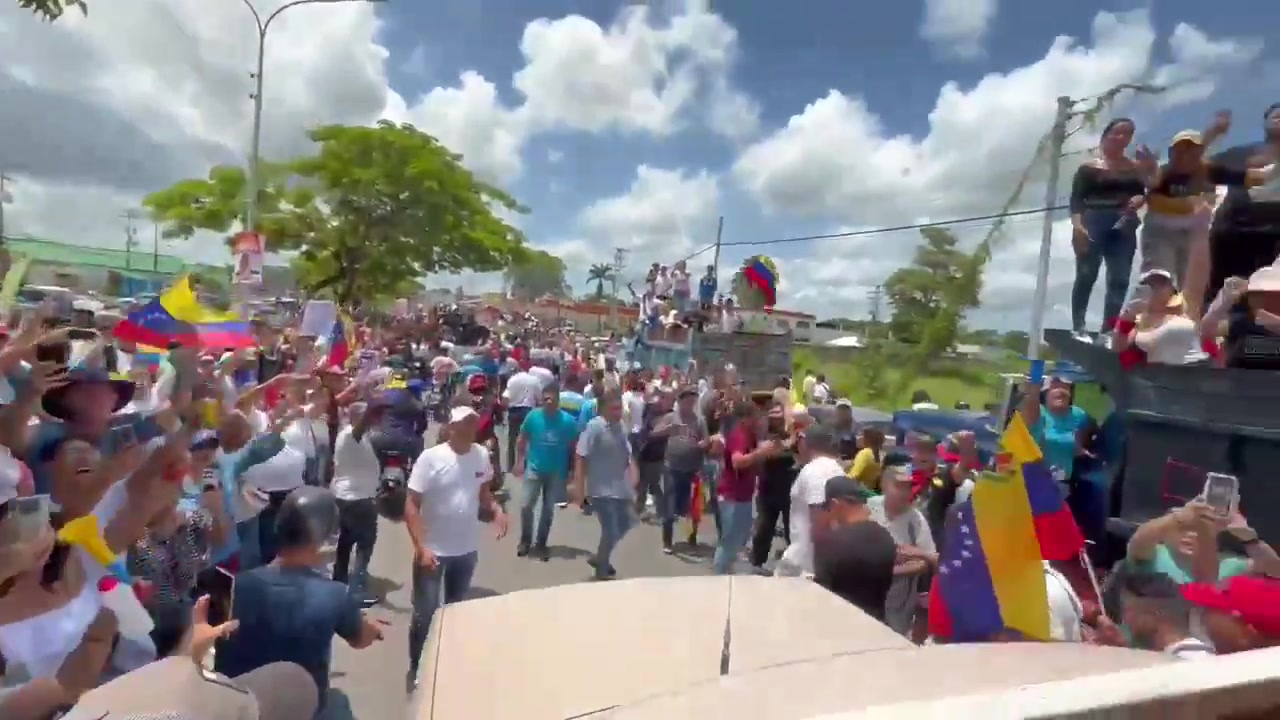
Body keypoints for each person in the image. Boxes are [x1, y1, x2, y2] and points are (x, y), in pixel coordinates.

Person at [404, 405, 506, 693]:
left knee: (455, 613)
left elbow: (483, 494)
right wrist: (421, 547)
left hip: (466, 550)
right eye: (462, 424)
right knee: (425, 615)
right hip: (433, 551)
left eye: (472, 424)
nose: (467, 429)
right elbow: (411, 504)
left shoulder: (482, 455)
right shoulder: (431, 458)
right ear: (449, 427)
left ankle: (446, 665)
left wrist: (496, 510)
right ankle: (417, 668)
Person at [1069, 117, 1149, 340]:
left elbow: (1141, 193)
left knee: (1120, 278)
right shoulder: (1089, 168)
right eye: (1117, 132)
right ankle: (1079, 327)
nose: (1122, 137)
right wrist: (1078, 227)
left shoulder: (1134, 168)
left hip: (1124, 222)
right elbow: (1076, 201)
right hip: (1093, 219)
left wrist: (1138, 200)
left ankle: (1108, 329)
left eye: (1127, 133)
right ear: (1107, 134)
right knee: (1086, 275)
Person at [569, 390, 636, 580]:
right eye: (613, 409)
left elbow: (628, 453)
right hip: (600, 489)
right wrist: (579, 487)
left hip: (620, 487)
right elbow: (581, 456)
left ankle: (600, 557)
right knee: (610, 529)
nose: (618, 412)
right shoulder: (594, 427)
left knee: (626, 523)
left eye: (619, 408)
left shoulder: (621, 426)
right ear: (602, 409)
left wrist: (633, 472)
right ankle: (602, 569)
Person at [812, 476, 896, 622]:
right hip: (876, 624)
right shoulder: (886, 537)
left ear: (835, 504)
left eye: (828, 508)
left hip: (840, 626)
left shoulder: (830, 542)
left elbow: (822, 594)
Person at [868, 464, 936, 635]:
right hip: (866, 595)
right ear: (884, 485)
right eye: (898, 486)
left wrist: (892, 571)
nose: (904, 492)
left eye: (908, 487)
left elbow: (926, 561)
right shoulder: (869, 508)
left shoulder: (916, 520)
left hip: (898, 605)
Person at [714, 400, 781, 575]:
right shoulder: (739, 435)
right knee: (730, 541)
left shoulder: (750, 435)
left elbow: (753, 460)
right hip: (731, 496)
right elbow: (738, 461)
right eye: (755, 417)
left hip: (742, 496)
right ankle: (720, 576)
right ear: (744, 419)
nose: (759, 420)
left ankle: (726, 571)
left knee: (740, 538)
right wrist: (761, 453)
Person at [330, 400, 384, 607]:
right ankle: (355, 592)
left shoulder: (359, 437)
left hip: (349, 498)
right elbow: (362, 425)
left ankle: (339, 584)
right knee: (364, 546)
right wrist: (372, 405)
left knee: (345, 543)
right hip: (357, 500)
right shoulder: (350, 435)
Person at [514, 384, 576, 559]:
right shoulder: (533, 417)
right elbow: (522, 439)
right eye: (545, 398)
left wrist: (572, 471)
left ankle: (541, 544)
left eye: (552, 399)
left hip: (557, 471)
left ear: (558, 400)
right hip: (534, 468)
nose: (548, 402)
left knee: (548, 510)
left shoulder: (568, 422)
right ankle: (525, 540)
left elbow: (574, 447)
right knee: (526, 505)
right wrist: (519, 462)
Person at [775, 424, 844, 577]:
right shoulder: (835, 469)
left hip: (804, 564)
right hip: (813, 561)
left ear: (804, 442)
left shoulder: (817, 470)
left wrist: (821, 568)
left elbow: (821, 518)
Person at [655, 386, 710, 552]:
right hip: (672, 466)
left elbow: (706, 441)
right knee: (670, 504)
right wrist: (667, 430)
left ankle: (692, 536)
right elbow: (655, 433)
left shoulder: (699, 420)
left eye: (693, 401)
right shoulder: (671, 417)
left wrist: (701, 444)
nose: (690, 404)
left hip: (693, 467)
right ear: (680, 401)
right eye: (687, 401)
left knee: (692, 505)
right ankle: (667, 541)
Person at [1112, 269, 1202, 367]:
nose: (1155, 289)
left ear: (1173, 291)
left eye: (1162, 284)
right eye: (1150, 285)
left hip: (1192, 372)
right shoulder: (1140, 319)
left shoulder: (1182, 316)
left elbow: (1151, 340)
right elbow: (1118, 347)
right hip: (1160, 375)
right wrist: (1126, 318)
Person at [1117, 570, 1215, 659]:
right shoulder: (1183, 655)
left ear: (1154, 611)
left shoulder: (1187, 658)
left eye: (1128, 609)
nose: (1125, 619)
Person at [847, 426, 886, 491]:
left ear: (868, 439)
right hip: (870, 490)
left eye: (862, 436)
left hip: (859, 492)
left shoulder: (865, 453)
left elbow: (853, 476)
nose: (860, 438)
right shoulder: (879, 454)